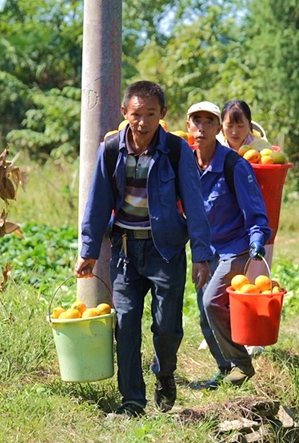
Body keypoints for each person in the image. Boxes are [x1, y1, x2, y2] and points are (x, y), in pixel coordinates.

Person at [75, 81, 213, 418]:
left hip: (165, 252)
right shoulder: (110, 149)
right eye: (136, 114)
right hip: (124, 252)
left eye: (151, 114)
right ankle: (133, 401)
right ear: (125, 113)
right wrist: (89, 250)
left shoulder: (178, 151)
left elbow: (194, 205)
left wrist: (202, 255)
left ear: (162, 115)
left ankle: (165, 373)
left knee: (167, 326)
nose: (142, 122)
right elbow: (97, 204)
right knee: (126, 325)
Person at [186, 101, 271, 388]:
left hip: (235, 248)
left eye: (208, 121)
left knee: (212, 303)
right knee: (204, 316)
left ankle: (242, 365)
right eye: (196, 121)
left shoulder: (235, 165)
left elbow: (256, 212)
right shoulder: (186, 165)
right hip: (204, 251)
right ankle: (224, 370)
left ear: (216, 127)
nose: (202, 127)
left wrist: (257, 241)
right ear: (189, 127)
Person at [219, 100, 275, 284]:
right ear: (221, 126)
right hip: (224, 217)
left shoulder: (262, 149)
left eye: (240, 125)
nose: (235, 132)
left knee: (253, 279)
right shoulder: (215, 146)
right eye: (230, 125)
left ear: (249, 126)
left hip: (252, 214)